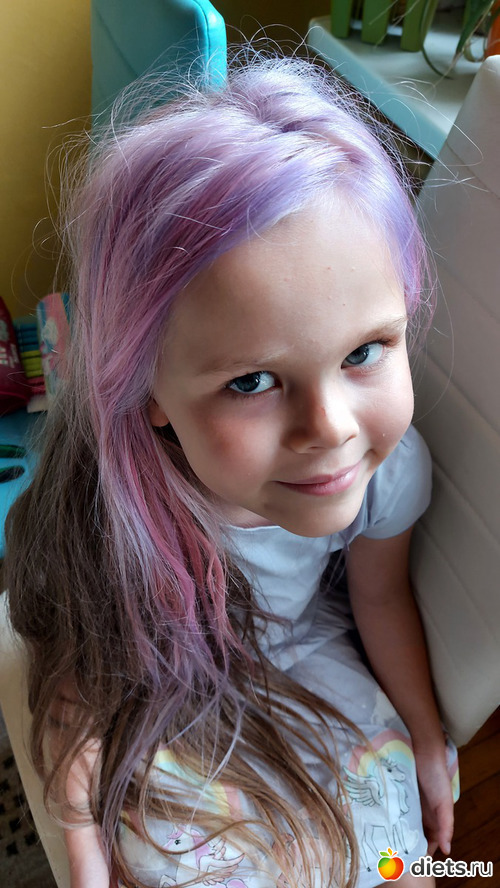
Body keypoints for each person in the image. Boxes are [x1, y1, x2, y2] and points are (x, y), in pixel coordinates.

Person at [5, 54, 458, 888]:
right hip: (158, 686)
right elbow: (83, 677)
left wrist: (426, 735)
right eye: (251, 382)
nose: (330, 430)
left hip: (309, 663)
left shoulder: (388, 473)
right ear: (148, 391)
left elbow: (379, 596)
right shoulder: (114, 505)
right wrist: (83, 844)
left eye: (366, 351)